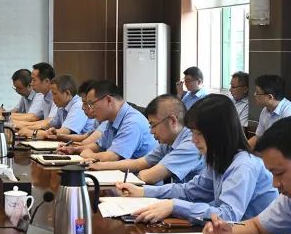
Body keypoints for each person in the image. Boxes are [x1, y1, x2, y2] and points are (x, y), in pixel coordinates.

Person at [116, 94, 277, 223]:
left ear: (217, 133)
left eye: (197, 133)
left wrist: (175, 206)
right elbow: (190, 190)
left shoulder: (243, 165)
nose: (193, 140)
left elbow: (228, 215)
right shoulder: (218, 159)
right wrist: (143, 191)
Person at [90, 94, 204, 185]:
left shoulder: (191, 143)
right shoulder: (168, 142)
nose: (151, 131)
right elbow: (139, 163)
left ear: (172, 121)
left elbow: (150, 176)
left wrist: (139, 174)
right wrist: (98, 166)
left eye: (153, 125)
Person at [63, 80, 155, 162]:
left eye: (91, 104)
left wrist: (90, 155)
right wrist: (75, 150)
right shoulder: (111, 120)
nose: (90, 109)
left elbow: (113, 156)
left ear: (108, 100)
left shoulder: (132, 122)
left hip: (136, 175)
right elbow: (99, 146)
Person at [248, 74, 291, 149]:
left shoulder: (290, 114)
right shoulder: (265, 110)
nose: (254, 94)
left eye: (257, 92)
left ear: (270, 97)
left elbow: (286, 148)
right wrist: (242, 149)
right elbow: (258, 137)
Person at [36, 75, 89, 140]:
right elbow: (49, 125)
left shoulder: (79, 106)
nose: (53, 98)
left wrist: (34, 132)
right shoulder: (62, 107)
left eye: (55, 94)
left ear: (67, 93)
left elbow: (64, 132)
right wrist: (28, 128)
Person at [15, 62, 58, 134]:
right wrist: (18, 124)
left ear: (47, 81)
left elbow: (48, 122)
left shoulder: (56, 97)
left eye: (34, 80)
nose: (31, 83)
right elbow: (37, 117)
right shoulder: (44, 97)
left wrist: (23, 126)